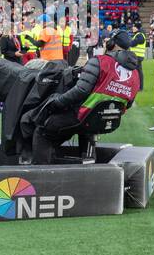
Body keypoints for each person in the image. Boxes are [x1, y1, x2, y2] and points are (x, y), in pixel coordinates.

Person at [31, 30, 141, 164]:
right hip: (107, 121)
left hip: (83, 117)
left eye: (107, 41)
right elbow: (128, 103)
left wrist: (56, 103)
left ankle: (40, 173)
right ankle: (88, 163)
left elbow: (80, 91)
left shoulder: (99, 61)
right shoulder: (135, 73)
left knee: (42, 130)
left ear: (113, 44)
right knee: (88, 129)